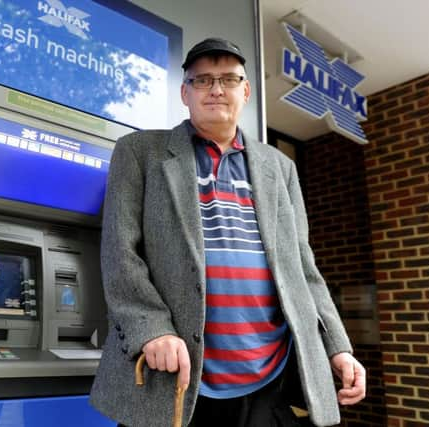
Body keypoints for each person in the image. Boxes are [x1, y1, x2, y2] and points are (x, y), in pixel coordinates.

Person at [90, 38, 365, 427]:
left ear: (246, 91)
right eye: (202, 80)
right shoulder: (139, 152)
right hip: (173, 376)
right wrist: (150, 329)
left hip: (268, 374)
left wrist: (337, 346)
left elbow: (303, 266)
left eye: (229, 79)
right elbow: (120, 252)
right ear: (185, 93)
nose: (216, 89)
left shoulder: (280, 167)